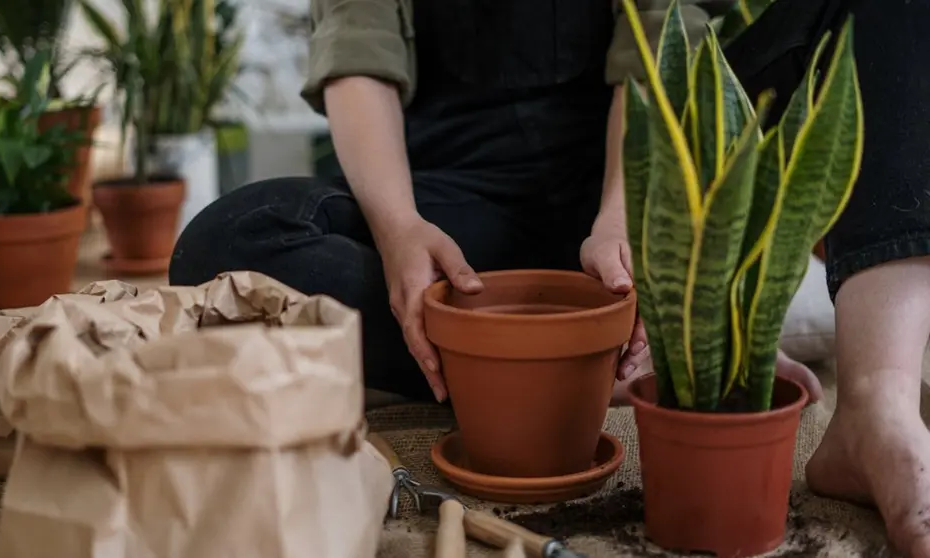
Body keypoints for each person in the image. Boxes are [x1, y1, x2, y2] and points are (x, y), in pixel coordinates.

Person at [168, 0, 930, 555]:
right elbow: (357, 56)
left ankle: (875, 409)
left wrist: (624, 225)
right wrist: (400, 232)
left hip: (641, 184)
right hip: (454, 212)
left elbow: (659, 47)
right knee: (227, 242)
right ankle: (599, 363)